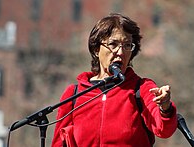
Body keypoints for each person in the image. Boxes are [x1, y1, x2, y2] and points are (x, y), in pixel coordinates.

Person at [51, 13, 177, 147]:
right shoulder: (74, 94)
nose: (121, 52)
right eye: (113, 44)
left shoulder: (142, 88)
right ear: (96, 49)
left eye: (127, 45)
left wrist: (165, 107)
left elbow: (164, 130)